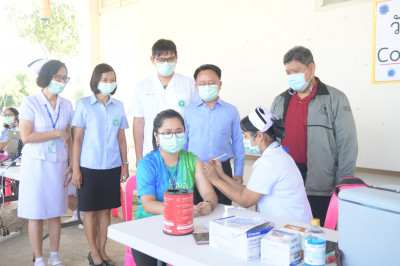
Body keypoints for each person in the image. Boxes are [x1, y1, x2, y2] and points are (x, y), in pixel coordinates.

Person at [270, 46, 358, 226]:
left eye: (296, 71)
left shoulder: (335, 98)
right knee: (288, 229)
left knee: (318, 232)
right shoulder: (280, 100)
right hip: (286, 178)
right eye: (288, 72)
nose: (291, 76)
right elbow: (271, 139)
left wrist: (344, 182)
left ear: (312, 68)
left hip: (320, 181)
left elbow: (347, 143)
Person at [132, 109, 218, 265]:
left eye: (178, 132)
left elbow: (209, 193)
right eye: (167, 133)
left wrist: (209, 204)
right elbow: (148, 204)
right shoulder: (148, 163)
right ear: (156, 136)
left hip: (184, 228)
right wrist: (181, 211)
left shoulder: (192, 160)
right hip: (148, 228)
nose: (174, 136)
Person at [203, 106, 312, 224]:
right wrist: (221, 175)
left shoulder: (268, 162)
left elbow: (245, 200)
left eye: (246, 136)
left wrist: (214, 180)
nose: (244, 140)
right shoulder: (279, 155)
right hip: (297, 225)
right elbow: (250, 191)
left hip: (293, 228)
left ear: (259, 136)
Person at [71, 63, 129, 266]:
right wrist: (76, 168)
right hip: (88, 167)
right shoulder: (83, 104)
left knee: (106, 210)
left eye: (112, 79)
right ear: (96, 81)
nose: (109, 83)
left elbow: (121, 138)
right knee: (90, 211)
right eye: (105, 79)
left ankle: (102, 250)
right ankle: (93, 252)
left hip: (112, 166)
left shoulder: (119, 106)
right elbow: (76, 139)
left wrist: (125, 164)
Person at [18, 60, 73, 266]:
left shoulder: (66, 105)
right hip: (36, 165)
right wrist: (55, 133)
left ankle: (55, 257)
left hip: (58, 162)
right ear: (47, 77)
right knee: (36, 212)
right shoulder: (30, 102)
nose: (61, 81)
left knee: (56, 212)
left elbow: (69, 136)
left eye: (65, 78)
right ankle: (39, 259)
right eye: (58, 77)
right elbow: (27, 136)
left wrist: (71, 163)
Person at [129, 39, 199, 166]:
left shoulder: (189, 85)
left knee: (181, 185)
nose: (166, 63)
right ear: (153, 60)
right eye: (161, 59)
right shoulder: (143, 86)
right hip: (150, 151)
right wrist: (138, 155)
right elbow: (139, 122)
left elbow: (197, 120)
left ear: (177, 58)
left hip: (182, 151)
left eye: (170, 59)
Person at [183, 64, 245, 205]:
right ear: (196, 86)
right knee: (198, 209)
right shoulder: (188, 111)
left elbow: (237, 142)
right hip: (195, 168)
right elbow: (184, 142)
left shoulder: (231, 110)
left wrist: (239, 172)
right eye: (202, 84)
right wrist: (184, 170)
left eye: (211, 83)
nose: (207, 86)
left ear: (220, 84)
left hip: (223, 169)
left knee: (223, 210)